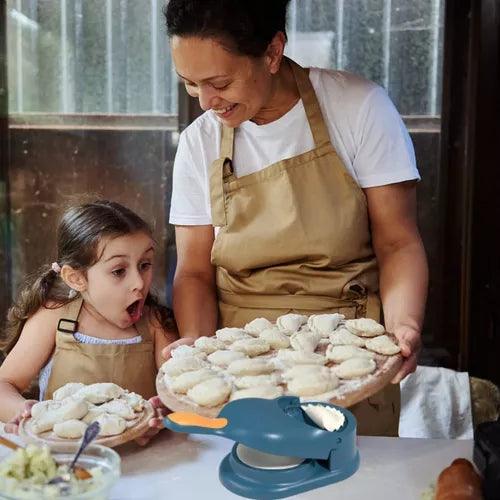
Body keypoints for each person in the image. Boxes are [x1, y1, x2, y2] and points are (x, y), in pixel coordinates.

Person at [164, 0, 428, 436]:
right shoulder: (200, 142)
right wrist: (197, 345)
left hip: (348, 350)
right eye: (191, 85)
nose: (207, 102)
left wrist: (404, 325)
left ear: (272, 52)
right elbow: (193, 271)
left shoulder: (358, 108)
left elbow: (398, 242)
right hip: (240, 359)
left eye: (219, 82)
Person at [0, 200, 178, 444]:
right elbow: (4, 384)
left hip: (145, 465)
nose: (139, 282)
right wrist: (23, 412)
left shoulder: (155, 325)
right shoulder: (54, 318)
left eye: (144, 265)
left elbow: (179, 396)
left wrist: (162, 413)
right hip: (68, 464)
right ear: (76, 278)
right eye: (119, 271)